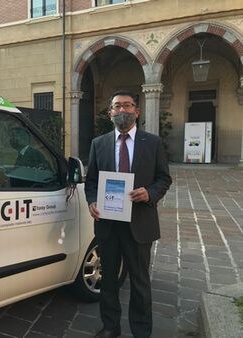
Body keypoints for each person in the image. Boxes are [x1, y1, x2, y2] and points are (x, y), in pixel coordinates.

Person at [84, 90, 172, 338]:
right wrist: (91, 201)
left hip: (139, 224)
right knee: (108, 281)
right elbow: (91, 181)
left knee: (140, 283)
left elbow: (164, 178)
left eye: (127, 106)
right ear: (110, 112)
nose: (122, 111)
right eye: (116, 107)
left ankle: (141, 331)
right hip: (108, 224)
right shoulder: (98, 144)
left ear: (137, 110)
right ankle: (110, 327)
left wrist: (150, 193)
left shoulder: (152, 143)